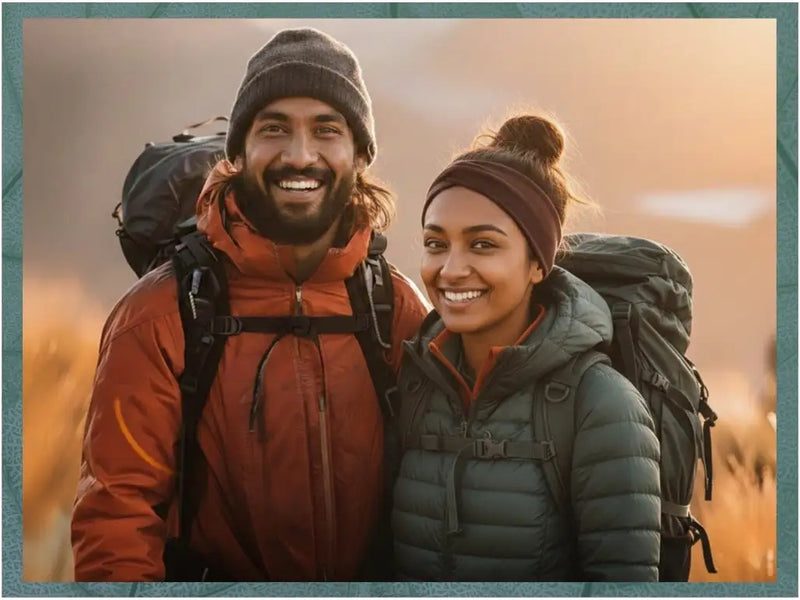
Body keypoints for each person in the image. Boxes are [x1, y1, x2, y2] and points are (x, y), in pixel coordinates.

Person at [71, 28, 429, 582]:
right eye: (274, 129)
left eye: (327, 130)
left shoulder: (395, 307)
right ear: (238, 152)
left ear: (359, 154)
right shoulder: (160, 315)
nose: (299, 155)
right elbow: (116, 521)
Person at [391, 114, 661, 581]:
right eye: (436, 243)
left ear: (538, 263)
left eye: (482, 245)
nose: (451, 269)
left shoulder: (600, 404)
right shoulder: (416, 380)